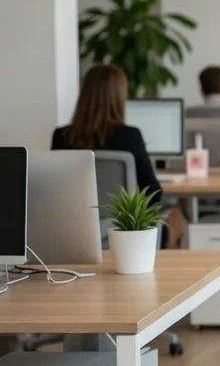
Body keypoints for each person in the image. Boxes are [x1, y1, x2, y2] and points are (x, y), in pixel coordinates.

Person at [51, 63, 184, 248]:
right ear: (119, 97)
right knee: (177, 215)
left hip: (73, 233)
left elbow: (55, 191)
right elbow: (153, 192)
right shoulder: (130, 136)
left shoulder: (61, 136)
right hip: (126, 235)